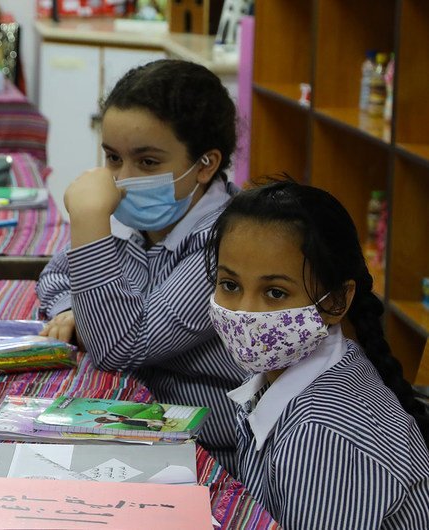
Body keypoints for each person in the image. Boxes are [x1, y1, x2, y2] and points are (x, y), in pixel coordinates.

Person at [35, 59, 246, 469]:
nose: (123, 179)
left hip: (211, 446)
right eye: (113, 158)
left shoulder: (225, 246)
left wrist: (90, 221)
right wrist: (70, 309)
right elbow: (59, 272)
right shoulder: (149, 223)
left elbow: (119, 345)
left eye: (147, 163)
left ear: (206, 164)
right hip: (142, 413)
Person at [208, 180, 429, 529]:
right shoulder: (278, 376)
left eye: (276, 293)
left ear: (337, 301)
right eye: (230, 285)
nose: (245, 312)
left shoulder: (324, 433)